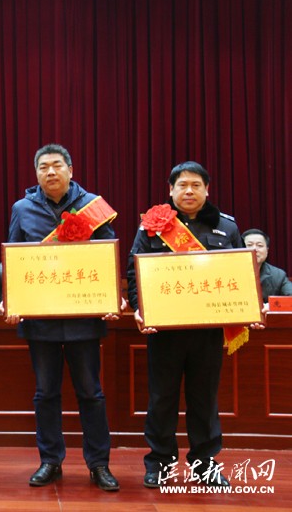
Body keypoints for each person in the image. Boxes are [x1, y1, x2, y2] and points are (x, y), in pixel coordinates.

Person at [128, 161, 263, 488]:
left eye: (196, 185)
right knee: (162, 398)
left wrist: (249, 307)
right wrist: (139, 308)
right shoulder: (152, 226)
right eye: (182, 185)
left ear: (207, 190)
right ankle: (160, 463)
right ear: (170, 190)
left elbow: (239, 274)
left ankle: (205, 463)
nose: (189, 191)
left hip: (207, 331)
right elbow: (135, 273)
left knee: (204, 399)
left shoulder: (226, 227)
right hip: (164, 331)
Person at [3, 143, 121, 492]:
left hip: (83, 317)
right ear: (36, 173)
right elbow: (13, 259)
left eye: (57, 165)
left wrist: (111, 297)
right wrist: (10, 300)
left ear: (71, 170)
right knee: (45, 393)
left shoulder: (92, 206)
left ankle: (99, 464)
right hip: (41, 319)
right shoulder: (22, 209)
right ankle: (50, 461)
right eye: (43, 167)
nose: (50, 172)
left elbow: (107, 256)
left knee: (91, 393)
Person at [241, 229, 292, 302]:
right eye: (249, 245)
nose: (254, 249)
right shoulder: (229, 272)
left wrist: (270, 306)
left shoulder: (278, 275)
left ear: (267, 251)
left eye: (260, 245)